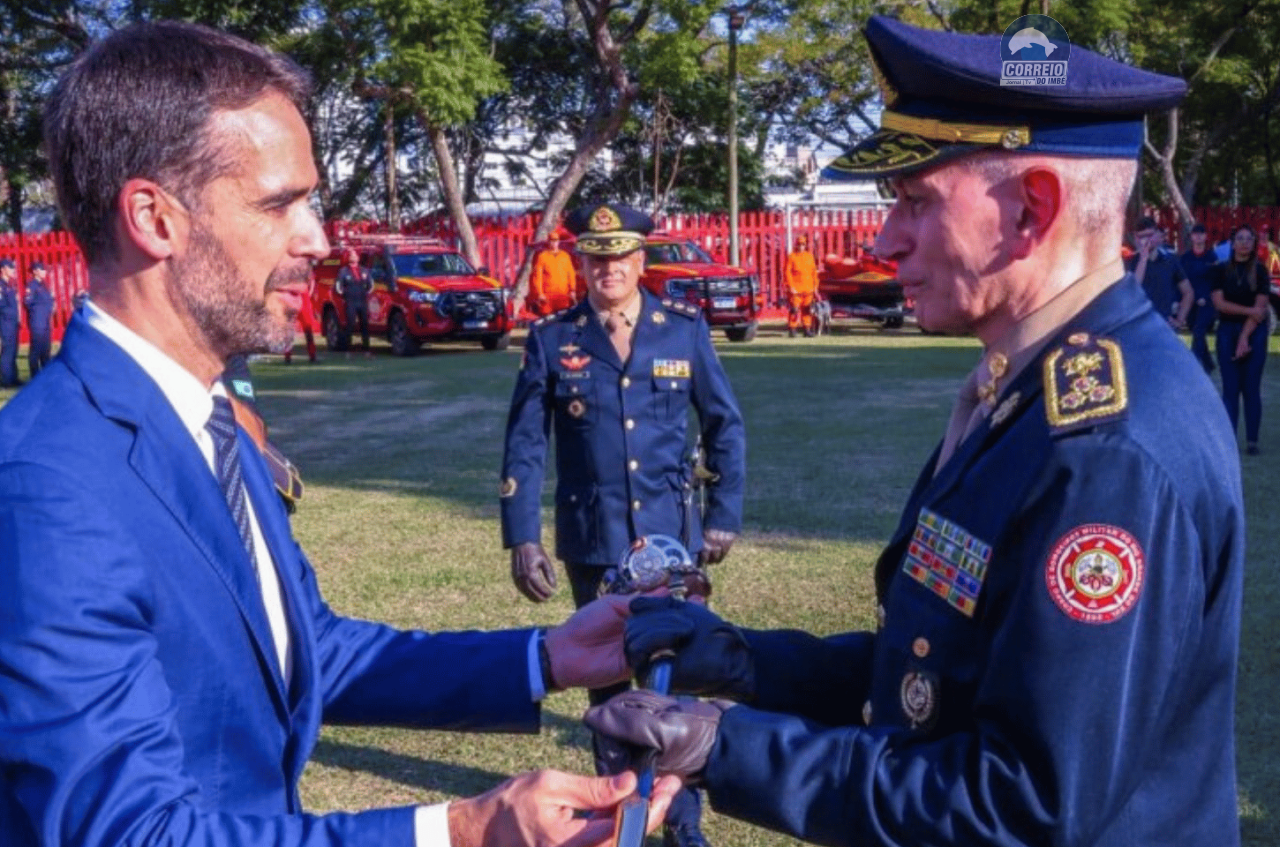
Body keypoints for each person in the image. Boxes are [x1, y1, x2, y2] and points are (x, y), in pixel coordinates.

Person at [0, 21, 681, 847]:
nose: (318, 238)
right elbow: (128, 833)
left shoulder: (210, 420)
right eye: (279, 203)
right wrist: (460, 829)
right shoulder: (48, 484)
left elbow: (310, 648)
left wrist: (545, 656)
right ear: (154, 216)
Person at [585, 16, 1243, 847]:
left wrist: (730, 747)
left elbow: (1023, 802)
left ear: (1032, 209)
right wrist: (748, 663)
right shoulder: (1030, 395)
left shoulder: (1105, 448)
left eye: (914, 200)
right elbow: (937, 673)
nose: (886, 238)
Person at [500, 201, 746, 847]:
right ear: (581, 262)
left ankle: (683, 825)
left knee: (674, 687)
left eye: (620, 257)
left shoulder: (682, 329)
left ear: (640, 261)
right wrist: (522, 535)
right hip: (594, 539)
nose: (608, 268)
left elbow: (723, 424)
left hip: (670, 538)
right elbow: (525, 442)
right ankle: (619, 815)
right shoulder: (555, 338)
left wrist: (723, 516)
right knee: (607, 693)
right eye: (596, 257)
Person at [1212, 223, 1270, 454]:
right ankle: (1229, 441)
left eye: (1249, 239)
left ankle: (1252, 441)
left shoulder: (1261, 271)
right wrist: (1248, 313)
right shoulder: (1220, 270)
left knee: (1251, 387)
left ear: (1254, 243)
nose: (1245, 242)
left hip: (1254, 332)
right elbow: (1219, 303)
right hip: (1227, 330)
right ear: (1232, 242)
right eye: (1240, 238)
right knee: (1230, 388)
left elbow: (1261, 307)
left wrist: (1244, 337)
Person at [1126, 216, 1192, 329]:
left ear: (1157, 234)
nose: (1146, 240)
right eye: (1141, 236)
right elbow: (1134, 288)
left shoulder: (1170, 260)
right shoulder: (1129, 261)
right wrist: (1143, 258)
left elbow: (1188, 292)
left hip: (1164, 324)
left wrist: (1180, 320)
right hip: (1138, 325)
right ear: (1136, 238)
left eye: (1150, 235)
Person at [1180, 222, 1219, 373]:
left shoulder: (1211, 256)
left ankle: (1193, 366)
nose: (1198, 237)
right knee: (1197, 333)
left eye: (1201, 234)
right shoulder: (1185, 258)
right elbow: (1181, 280)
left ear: (1206, 237)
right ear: (1191, 237)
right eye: (1195, 234)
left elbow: (1214, 280)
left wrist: (1204, 296)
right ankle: (1208, 362)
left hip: (1206, 302)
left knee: (1198, 330)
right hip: (1190, 302)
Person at [528, 229, 578, 317]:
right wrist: (539, 293)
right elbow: (537, 276)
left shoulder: (565, 256)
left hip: (563, 295)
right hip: (548, 295)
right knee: (548, 318)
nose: (554, 243)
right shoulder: (542, 256)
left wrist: (572, 290)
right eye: (551, 241)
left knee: (563, 317)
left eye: (556, 241)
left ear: (558, 242)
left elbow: (571, 274)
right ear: (548, 242)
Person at [336, 247, 372, 354]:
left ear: (358, 258)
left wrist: (365, 293)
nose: (353, 257)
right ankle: (348, 350)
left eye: (355, 255)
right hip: (350, 302)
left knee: (364, 325)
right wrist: (345, 295)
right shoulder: (343, 271)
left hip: (362, 301)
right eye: (351, 255)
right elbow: (338, 287)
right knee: (350, 325)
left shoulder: (364, 270)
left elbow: (371, 285)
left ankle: (366, 349)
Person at [22, 260, 55, 377]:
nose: (45, 272)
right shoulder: (32, 285)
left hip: (45, 321)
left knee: (46, 350)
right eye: (42, 269)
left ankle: (46, 375)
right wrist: (39, 312)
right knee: (36, 349)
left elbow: (50, 301)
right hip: (37, 322)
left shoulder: (44, 286)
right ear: (35, 271)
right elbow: (27, 302)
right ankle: (35, 375)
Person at [783, 233, 819, 337]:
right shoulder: (792, 257)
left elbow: (814, 273)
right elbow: (787, 273)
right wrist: (790, 287)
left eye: (803, 244)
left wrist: (815, 286)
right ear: (796, 245)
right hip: (796, 289)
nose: (801, 246)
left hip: (808, 289)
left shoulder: (809, 257)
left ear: (805, 245)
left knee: (807, 309)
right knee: (794, 309)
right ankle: (792, 329)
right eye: (799, 244)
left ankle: (807, 329)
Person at [284, 272, 318, 363]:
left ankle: (312, 355)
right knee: (289, 330)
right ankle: (287, 355)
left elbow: (312, 281)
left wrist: (309, 293)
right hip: (293, 301)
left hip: (303, 301)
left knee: (308, 330)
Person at [0, 258, 19, 386]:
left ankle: (13, 378)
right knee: (7, 351)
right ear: (3, 269)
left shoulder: (9, 285)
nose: (13, 270)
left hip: (12, 323)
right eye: (10, 268)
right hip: (5, 323)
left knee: (13, 350)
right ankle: (6, 380)